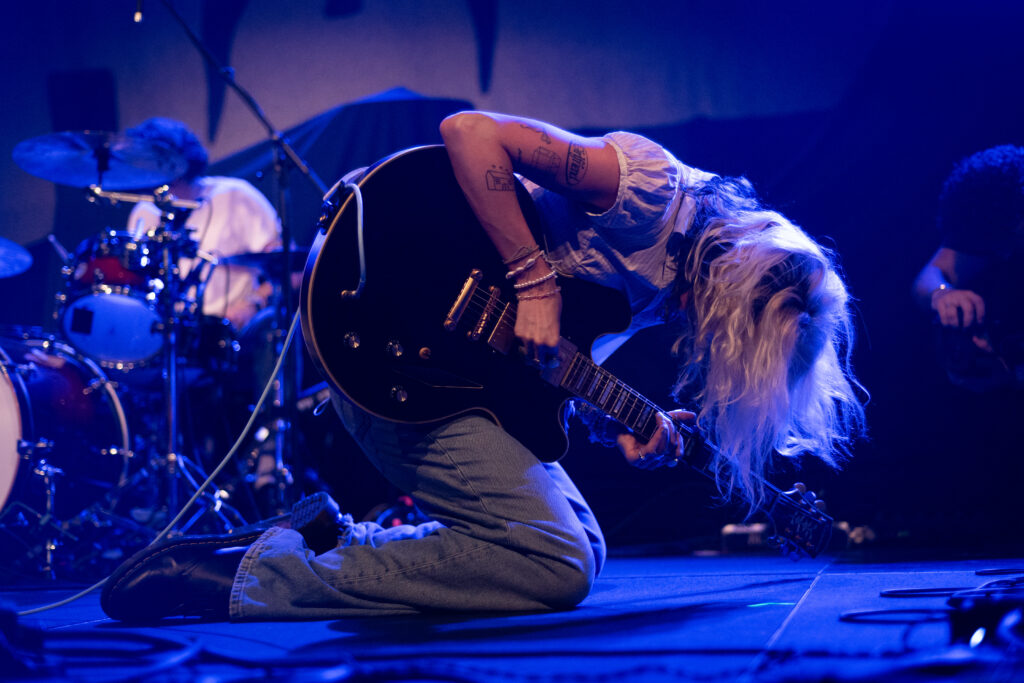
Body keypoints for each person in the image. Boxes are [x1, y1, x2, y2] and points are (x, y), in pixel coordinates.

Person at [100, 111, 865, 622]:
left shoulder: (678, 283)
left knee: (583, 548)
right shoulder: (651, 191)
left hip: (453, 376)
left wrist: (620, 423)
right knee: (556, 561)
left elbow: (541, 359)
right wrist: (532, 282)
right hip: (385, 339)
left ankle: (300, 543)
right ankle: (253, 576)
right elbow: (468, 134)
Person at [123, 117, 289, 515]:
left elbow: (285, 269)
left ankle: (270, 463)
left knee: (272, 331)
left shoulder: (235, 196)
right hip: (182, 337)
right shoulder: (143, 214)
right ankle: (156, 488)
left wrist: (250, 305)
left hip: (242, 328)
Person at [912, 145, 1024, 391]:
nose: (1003, 253)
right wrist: (942, 294)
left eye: (1008, 238)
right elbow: (930, 276)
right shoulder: (990, 220)